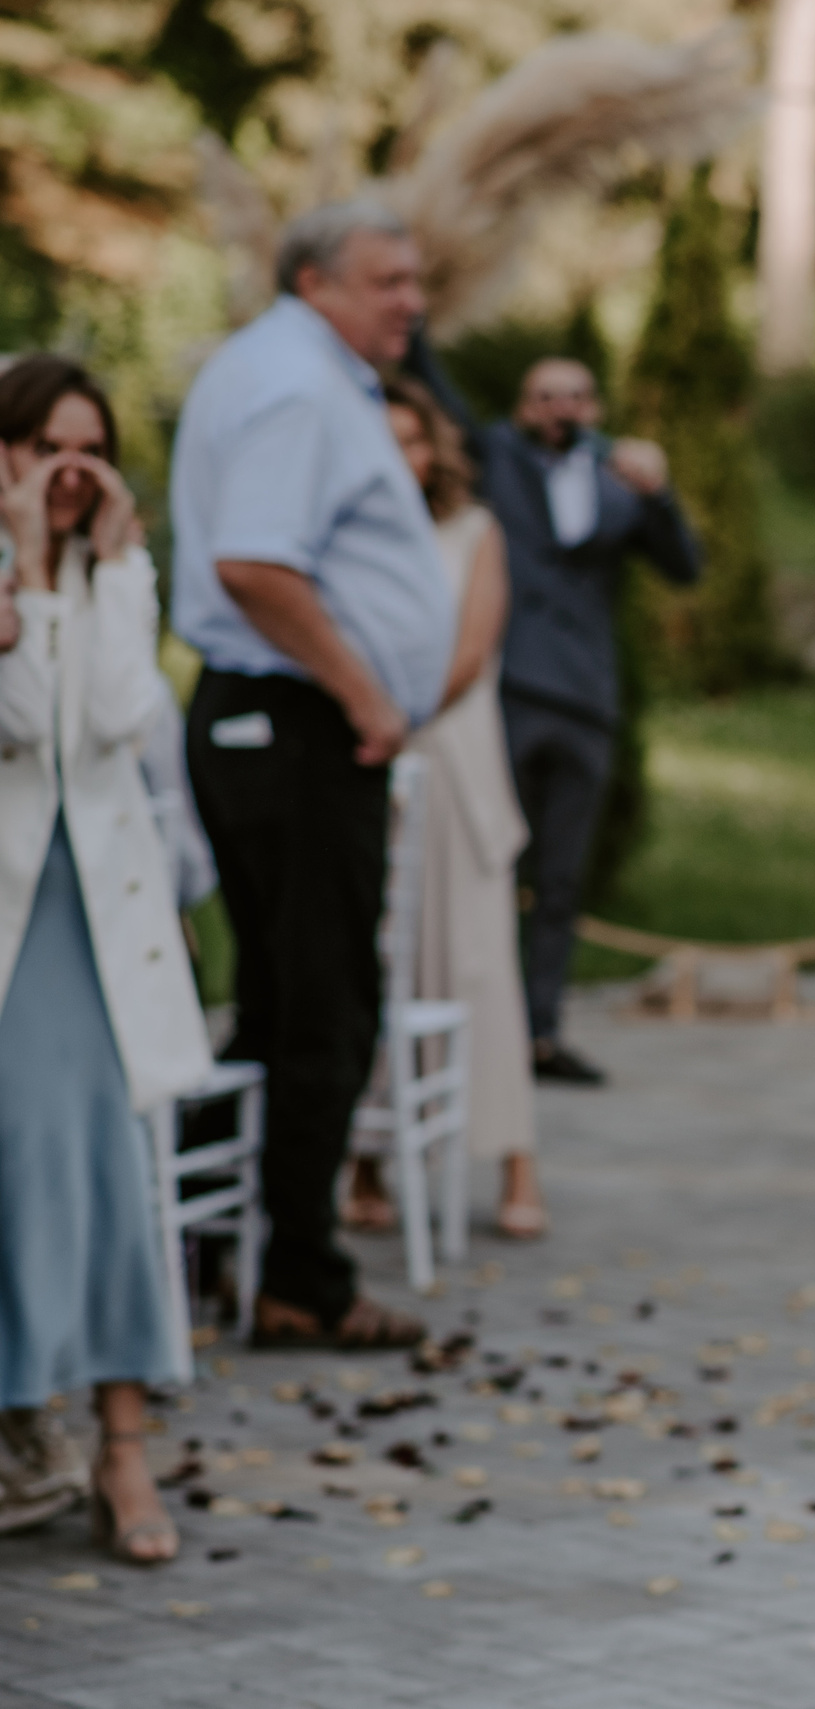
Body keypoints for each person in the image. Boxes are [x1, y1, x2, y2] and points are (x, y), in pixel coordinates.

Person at [172, 198, 454, 1351]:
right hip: (293, 723)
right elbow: (253, 562)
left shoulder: (302, 372)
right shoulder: (295, 384)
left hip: (277, 719)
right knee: (323, 1005)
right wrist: (363, 690)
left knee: (285, 1002)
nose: (412, 302)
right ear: (314, 282)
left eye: (415, 280)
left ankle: (221, 1248)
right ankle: (299, 1277)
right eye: (388, 280)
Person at [0, 356, 211, 1560]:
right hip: (13, 912)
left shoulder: (115, 574)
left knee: (107, 1161)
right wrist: (27, 568)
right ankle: (30, 1426)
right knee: (28, 1159)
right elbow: (23, 720)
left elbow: (126, 713)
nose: (72, 470)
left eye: (91, 448)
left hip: (99, 920)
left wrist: (118, 571)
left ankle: (124, 1448)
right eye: (47, 446)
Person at [405, 345, 702, 1088]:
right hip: (509, 690)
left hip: (588, 698)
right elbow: (434, 387)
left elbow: (684, 566)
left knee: (563, 879)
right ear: (522, 407)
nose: (559, 408)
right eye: (544, 395)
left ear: (593, 407)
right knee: (492, 860)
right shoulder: (495, 459)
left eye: (574, 395)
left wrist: (659, 493)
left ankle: (541, 1030)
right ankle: (483, 1021)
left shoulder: (617, 478)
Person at [341, 378, 545, 1238]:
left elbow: (472, 644)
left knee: (477, 961)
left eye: (412, 439)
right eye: (382, 440)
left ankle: (515, 1160)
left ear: (435, 449)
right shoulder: (345, 536)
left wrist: (402, 715)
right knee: (374, 956)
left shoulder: (473, 531)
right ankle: (367, 1158)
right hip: (366, 754)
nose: (400, 456)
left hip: (453, 756)